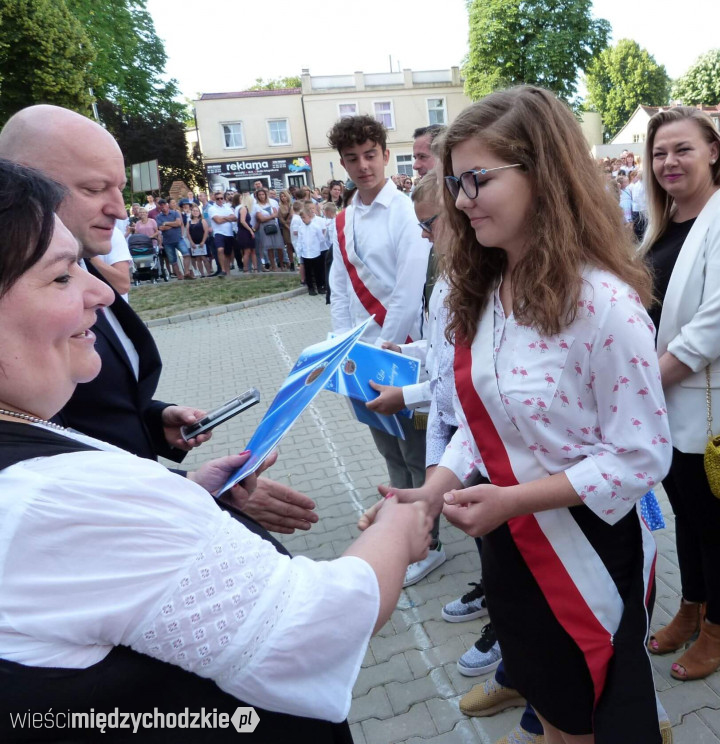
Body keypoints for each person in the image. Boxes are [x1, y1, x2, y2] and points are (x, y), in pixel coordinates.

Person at [0, 159, 434, 742]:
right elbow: (317, 626)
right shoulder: (54, 496)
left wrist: (186, 497)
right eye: (60, 277)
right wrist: (403, 524)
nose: (100, 291)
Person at [359, 85, 672, 743]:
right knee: (552, 709)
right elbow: (480, 424)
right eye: (454, 182)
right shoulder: (487, 290)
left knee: (592, 718)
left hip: (585, 548)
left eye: (478, 179)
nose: (462, 199)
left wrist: (512, 500)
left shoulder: (605, 307)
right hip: (510, 543)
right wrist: (431, 491)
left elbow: (641, 456)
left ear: (543, 174)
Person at [0, 106, 318, 536]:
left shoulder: (90, 272)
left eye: (120, 187)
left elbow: (94, 412)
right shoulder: (29, 317)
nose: (118, 208)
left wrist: (154, 419)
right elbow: (51, 439)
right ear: (24, 185)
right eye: (94, 188)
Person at [638, 107, 720, 682]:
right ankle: (692, 607)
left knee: (715, 519)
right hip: (666, 400)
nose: (669, 162)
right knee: (686, 514)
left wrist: (641, 384)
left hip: (705, 398)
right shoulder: (660, 225)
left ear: (714, 151)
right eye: (660, 152)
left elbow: (714, 325)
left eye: (682, 149)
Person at [327, 114, 436, 584]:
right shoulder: (344, 217)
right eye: (352, 159)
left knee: (416, 452)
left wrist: (385, 349)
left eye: (370, 155)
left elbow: (408, 290)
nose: (362, 166)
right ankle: (400, 531)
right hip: (360, 355)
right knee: (387, 448)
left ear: (386, 155)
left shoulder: (406, 210)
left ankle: (427, 543)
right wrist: (340, 345)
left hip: (402, 349)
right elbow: (339, 285)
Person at [293, 200, 329, 296]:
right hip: (306, 253)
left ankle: (320, 286)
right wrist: (299, 252)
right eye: (301, 218)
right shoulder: (301, 228)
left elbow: (321, 238)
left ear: (309, 217)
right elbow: (300, 240)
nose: (303, 219)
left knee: (318, 270)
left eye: (304, 217)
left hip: (315, 252)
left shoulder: (316, 226)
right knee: (308, 271)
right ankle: (311, 288)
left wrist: (316, 245)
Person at [155, 198, 190, 280]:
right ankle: (179, 275)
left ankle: (187, 272)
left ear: (167, 205)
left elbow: (178, 223)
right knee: (173, 260)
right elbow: (161, 228)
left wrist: (167, 223)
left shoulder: (175, 213)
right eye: (161, 206)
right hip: (167, 241)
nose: (163, 207)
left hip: (178, 238)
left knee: (186, 254)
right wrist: (173, 225)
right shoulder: (158, 217)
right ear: (160, 207)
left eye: (164, 205)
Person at [254, 188, 285, 271]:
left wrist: (269, 217)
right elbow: (261, 219)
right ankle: (273, 266)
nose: (261, 196)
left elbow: (277, 214)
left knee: (279, 246)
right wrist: (272, 216)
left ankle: (282, 265)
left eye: (263, 194)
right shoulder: (256, 206)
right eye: (259, 195)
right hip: (264, 227)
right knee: (269, 248)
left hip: (274, 225)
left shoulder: (272, 202)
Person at [208, 190, 237, 276]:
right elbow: (218, 220)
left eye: (221, 198)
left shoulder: (227, 207)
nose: (220, 200)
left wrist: (223, 218)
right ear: (215, 199)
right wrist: (228, 218)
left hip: (229, 233)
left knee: (228, 253)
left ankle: (227, 272)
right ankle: (223, 269)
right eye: (218, 199)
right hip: (218, 232)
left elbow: (235, 218)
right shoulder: (212, 208)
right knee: (220, 250)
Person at [185, 203, 213, 277]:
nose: (195, 212)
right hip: (194, 243)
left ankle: (209, 272)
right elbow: (187, 233)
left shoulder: (203, 221)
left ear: (199, 212)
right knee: (198, 259)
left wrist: (203, 241)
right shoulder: (189, 222)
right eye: (194, 211)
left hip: (203, 242)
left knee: (204, 258)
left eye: (197, 211)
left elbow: (206, 231)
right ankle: (202, 274)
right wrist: (191, 242)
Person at [234, 192, 257, 273]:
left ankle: (255, 268)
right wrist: (251, 230)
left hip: (248, 230)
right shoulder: (243, 208)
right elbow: (242, 221)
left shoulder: (247, 208)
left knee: (253, 250)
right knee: (247, 251)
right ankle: (245, 268)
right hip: (244, 232)